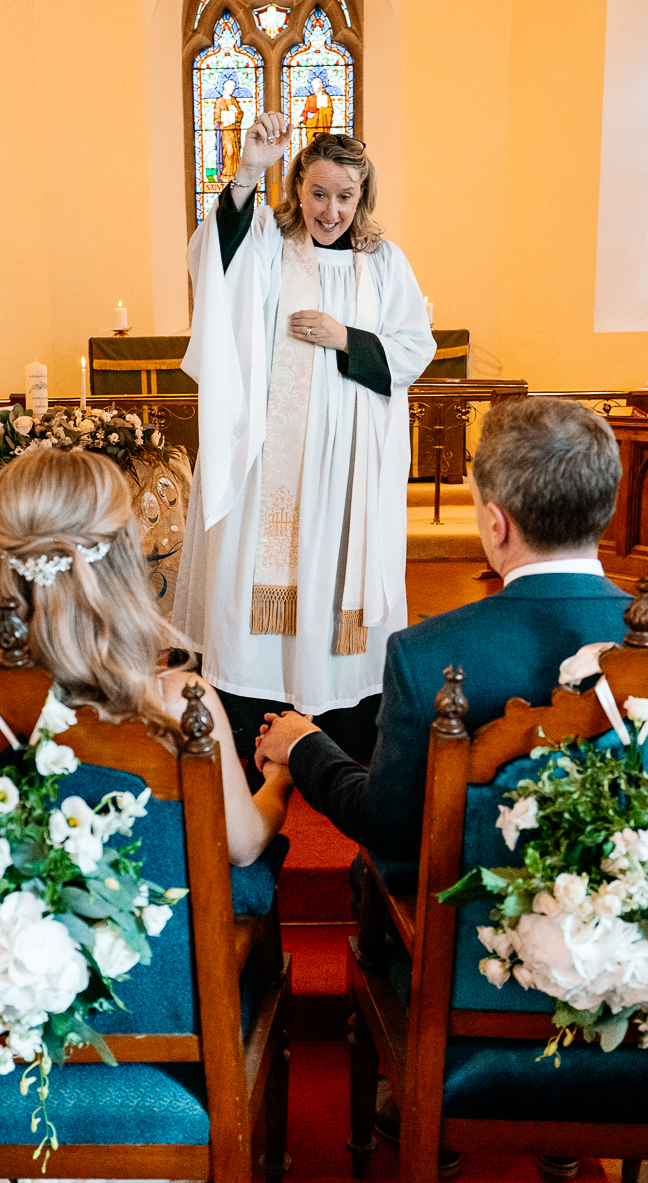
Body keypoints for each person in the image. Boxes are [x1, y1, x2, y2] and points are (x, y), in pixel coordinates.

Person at [253, 397, 648, 865]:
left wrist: (304, 745)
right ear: (606, 507)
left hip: (479, 943)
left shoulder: (426, 655)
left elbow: (391, 830)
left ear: (497, 524)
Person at [179, 120, 435, 760]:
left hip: (351, 458)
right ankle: (251, 706)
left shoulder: (384, 261)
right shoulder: (271, 240)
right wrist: (247, 172)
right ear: (297, 186)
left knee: (338, 567)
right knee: (260, 568)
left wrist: (345, 336)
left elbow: (413, 347)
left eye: (345, 196)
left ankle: (342, 719)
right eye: (319, 194)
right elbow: (219, 268)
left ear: (363, 195)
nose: (331, 211)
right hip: (274, 459)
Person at [0, 446, 293, 868]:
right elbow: (243, 845)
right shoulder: (181, 701)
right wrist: (279, 780)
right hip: (151, 932)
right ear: (123, 558)